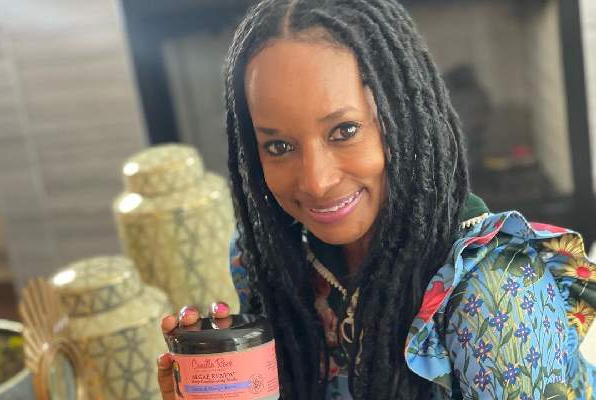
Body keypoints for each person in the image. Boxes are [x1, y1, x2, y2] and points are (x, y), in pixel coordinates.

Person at [157, 0, 596, 398]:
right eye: (279, 146)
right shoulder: (269, 260)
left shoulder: (498, 295)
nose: (316, 181)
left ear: (403, 120)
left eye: (344, 131)